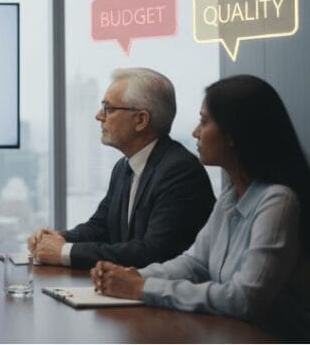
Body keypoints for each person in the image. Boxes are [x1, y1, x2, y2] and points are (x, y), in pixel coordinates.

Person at [91, 75, 310, 340]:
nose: (195, 132)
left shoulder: (279, 202)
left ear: (233, 134)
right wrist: (132, 276)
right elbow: (194, 263)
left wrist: (143, 288)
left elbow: (245, 299)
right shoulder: (232, 195)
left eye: (204, 121)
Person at [28, 68, 214, 269]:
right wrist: (58, 239)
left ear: (141, 120)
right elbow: (101, 227)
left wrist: (64, 251)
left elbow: (152, 253)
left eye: (108, 108)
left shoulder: (180, 171)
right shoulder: (123, 166)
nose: (99, 116)